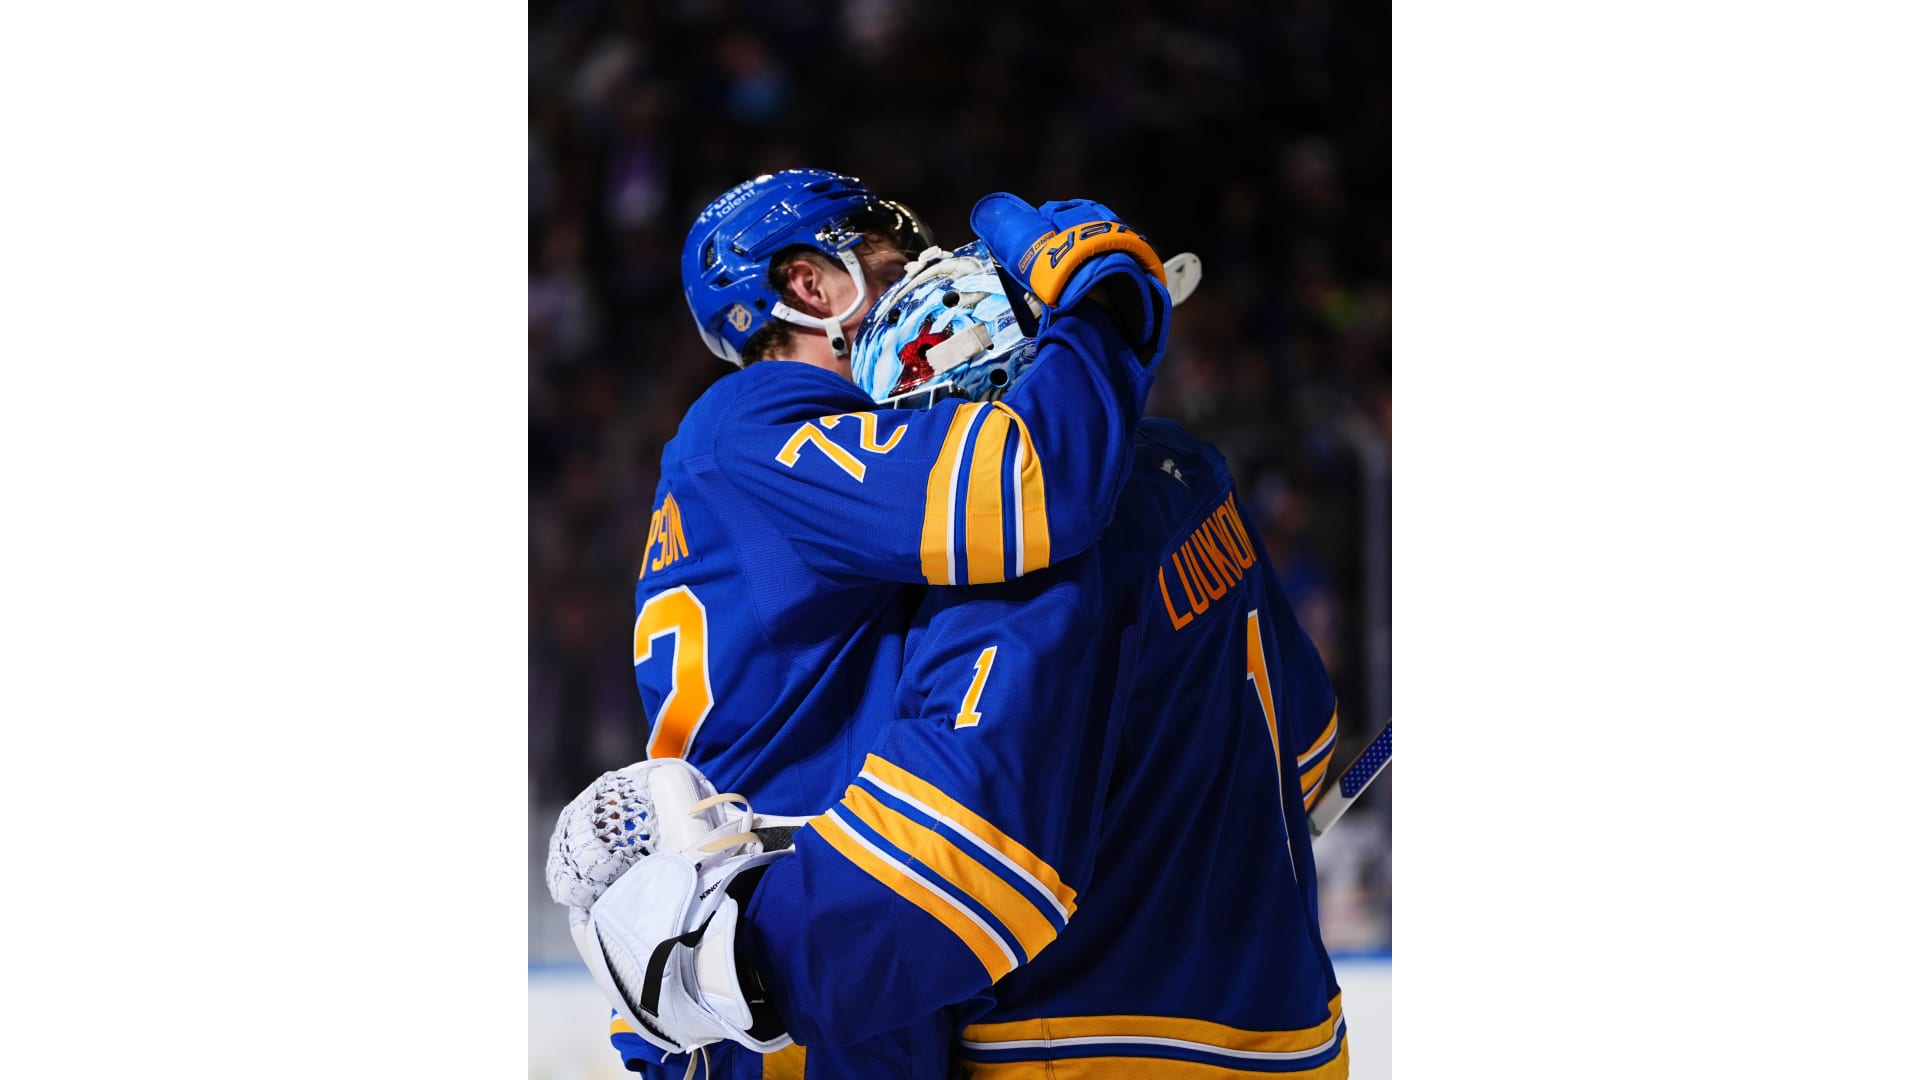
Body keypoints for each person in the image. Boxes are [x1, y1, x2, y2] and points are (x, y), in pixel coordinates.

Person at [564, 246, 1351, 1078]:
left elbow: (970, 861)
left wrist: (730, 969)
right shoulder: (1187, 468)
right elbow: (1304, 752)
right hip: (1297, 1029)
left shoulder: (1020, 566)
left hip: (1095, 1037)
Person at [589, 169, 1174, 1078]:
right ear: (808, 286)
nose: (922, 284)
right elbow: (1029, 491)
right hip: (779, 940)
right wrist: (1096, 318)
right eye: (892, 266)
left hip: (836, 926)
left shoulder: (790, 439)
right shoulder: (752, 419)